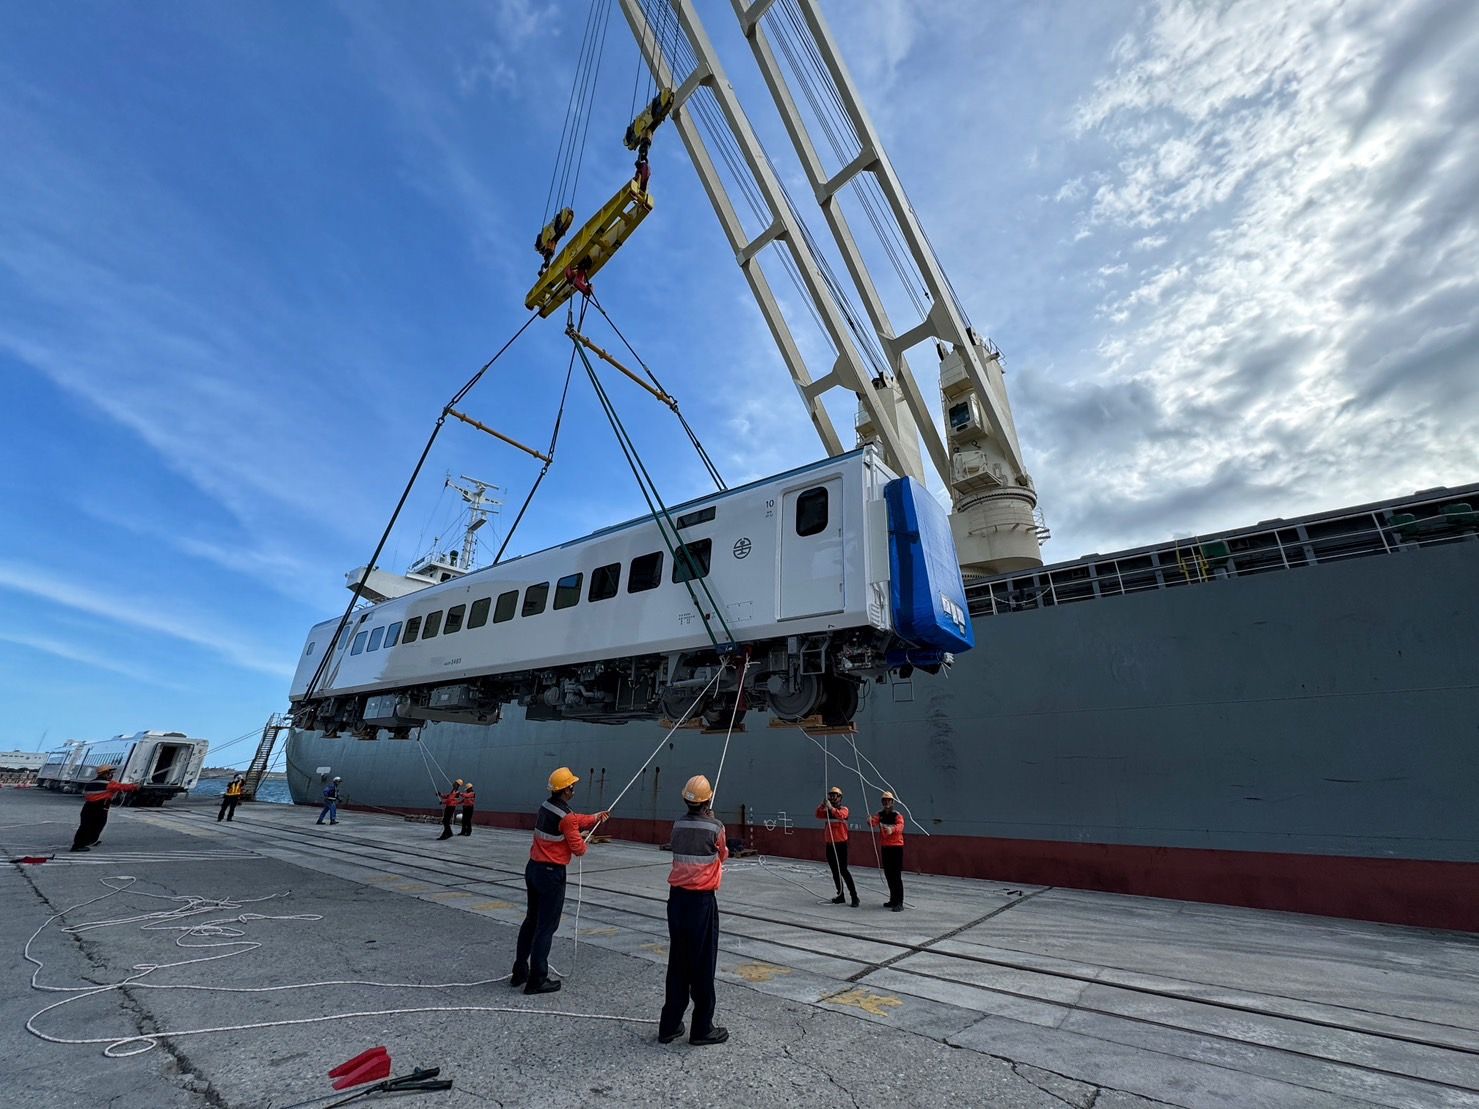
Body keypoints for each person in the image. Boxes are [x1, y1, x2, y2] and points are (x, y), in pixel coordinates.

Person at [511, 767, 609, 995]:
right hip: (551, 874)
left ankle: (519, 971)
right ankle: (537, 979)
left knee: (531, 921)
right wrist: (585, 839)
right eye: (572, 785)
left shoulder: (547, 806)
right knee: (546, 927)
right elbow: (579, 849)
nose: (574, 788)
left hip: (533, 868)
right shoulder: (567, 818)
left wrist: (595, 818)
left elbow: (572, 821)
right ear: (567, 789)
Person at [657, 775, 730, 1047]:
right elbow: (722, 855)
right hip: (701, 903)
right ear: (708, 799)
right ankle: (702, 1029)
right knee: (702, 964)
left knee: (678, 961)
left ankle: (669, 1025)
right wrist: (713, 820)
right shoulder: (715, 827)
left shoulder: (677, 824)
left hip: (676, 901)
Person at [71, 766, 138, 852]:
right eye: (110, 773)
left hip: (88, 807)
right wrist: (135, 786)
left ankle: (89, 841)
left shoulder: (91, 782)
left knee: (87, 826)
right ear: (106, 773)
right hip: (99, 808)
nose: (111, 775)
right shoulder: (108, 784)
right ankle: (78, 845)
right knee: (95, 826)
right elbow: (123, 787)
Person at [816, 786, 858, 906]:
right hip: (830, 844)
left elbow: (841, 815)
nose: (833, 798)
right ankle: (840, 896)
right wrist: (822, 805)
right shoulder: (827, 811)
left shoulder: (844, 809)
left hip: (841, 845)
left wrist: (830, 808)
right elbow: (818, 814)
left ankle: (854, 897)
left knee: (843, 870)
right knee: (835, 872)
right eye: (831, 795)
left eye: (835, 795)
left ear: (840, 797)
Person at [869, 791, 906, 910]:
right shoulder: (880, 815)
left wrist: (892, 829)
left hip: (896, 848)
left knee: (896, 876)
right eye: (884, 801)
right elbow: (873, 823)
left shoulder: (897, 815)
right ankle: (892, 899)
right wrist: (869, 820)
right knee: (888, 875)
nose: (886, 803)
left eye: (888, 800)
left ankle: (899, 903)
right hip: (885, 848)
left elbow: (900, 826)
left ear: (892, 802)